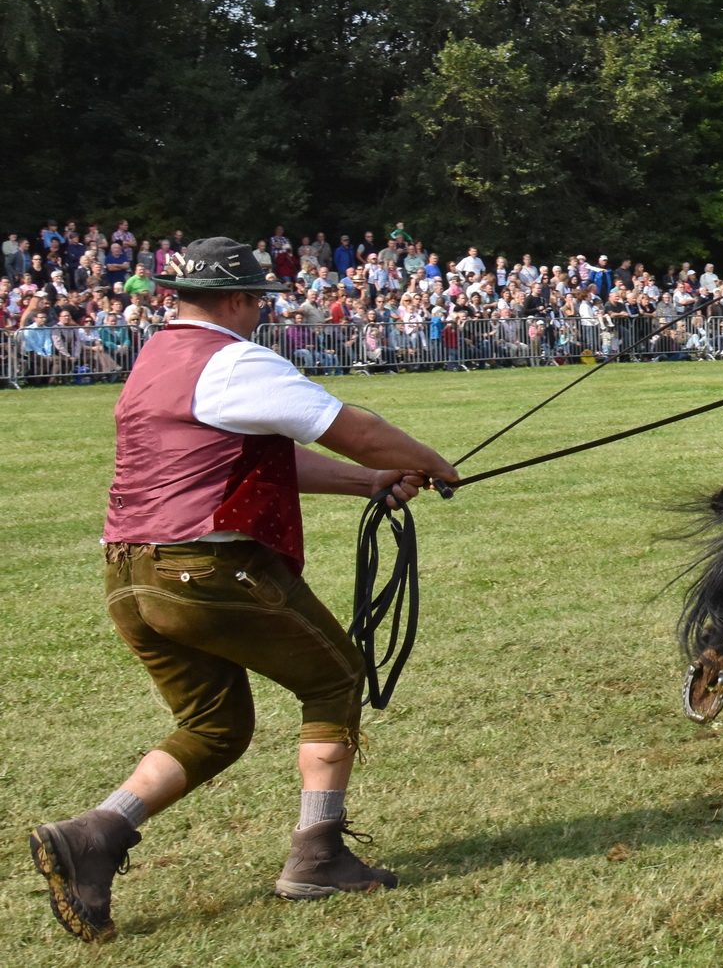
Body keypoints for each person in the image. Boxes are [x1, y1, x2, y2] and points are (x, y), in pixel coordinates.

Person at [28, 237, 459, 944]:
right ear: (236, 299)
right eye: (258, 299)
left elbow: (271, 457)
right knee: (336, 676)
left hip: (130, 575)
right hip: (203, 567)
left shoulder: (157, 359)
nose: (260, 312)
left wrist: (371, 480)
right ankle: (317, 854)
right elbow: (353, 428)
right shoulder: (232, 357)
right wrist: (428, 460)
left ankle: (94, 834)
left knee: (215, 727)